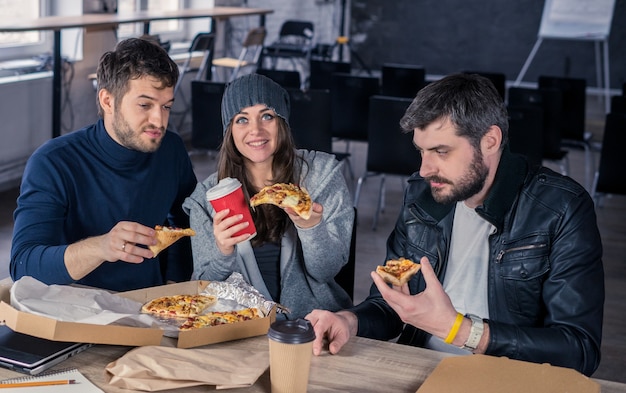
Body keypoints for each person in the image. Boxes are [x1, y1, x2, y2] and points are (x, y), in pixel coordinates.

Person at [306, 73, 604, 376]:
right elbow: (392, 305)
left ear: (490, 141)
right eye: (421, 151)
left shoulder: (562, 208)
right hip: (422, 372)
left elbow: (579, 349)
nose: (424, 169)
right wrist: (349, 321)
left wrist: (459, 330)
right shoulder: (421, 196)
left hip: (510, 380)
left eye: (441, 151)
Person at [10, 38, 197, 292]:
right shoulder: (53, 163)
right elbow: (24, 265)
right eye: (145, 105)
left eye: (166, 107)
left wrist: (173, 285)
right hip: (73, 313)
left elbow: (187, 220)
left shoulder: (171, 150)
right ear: (108, 101)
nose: (159, 120)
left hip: (150, 308)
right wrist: (102, 247)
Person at [183, 73, 354, 319]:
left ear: (281, 122)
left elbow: (326, 272)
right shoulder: (205, 199)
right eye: (242, 119)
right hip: (239, 332)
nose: (256, 130)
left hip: (313, 325)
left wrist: (311, 227)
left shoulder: (323, 175)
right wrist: (223, 252)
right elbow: (203, 289)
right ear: (229, 129)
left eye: (267, 116)